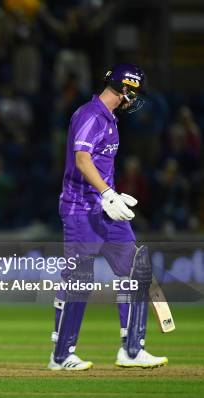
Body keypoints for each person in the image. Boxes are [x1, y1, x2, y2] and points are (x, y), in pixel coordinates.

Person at [50, 63, 168, 370]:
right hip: (81, 208)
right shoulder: (90, 115)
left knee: (134, 272)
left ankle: (131, 351)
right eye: (134, 91)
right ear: (125, 88)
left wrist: (111, 195)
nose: (135, 99)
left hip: (107, 209)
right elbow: (81, 159)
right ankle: (60, 355)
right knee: (78, 281)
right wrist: (107, 193)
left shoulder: (110, 119)